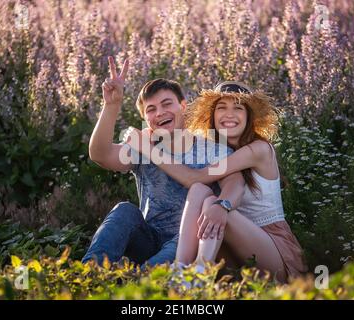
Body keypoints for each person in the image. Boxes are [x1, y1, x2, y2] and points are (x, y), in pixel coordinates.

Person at [127, 81, 308, 282]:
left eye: (238, 108)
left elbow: (193, 177)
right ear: (212, 115)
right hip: (230, 245)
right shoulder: (215, 149)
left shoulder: (258, 149)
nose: (229, 114)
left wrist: (148, 149)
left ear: (249, 116)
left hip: (272, 248)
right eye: (222, 108)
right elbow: (196, 183)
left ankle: (200, 273)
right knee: (199, 192)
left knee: (214, 203)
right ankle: (182, 271)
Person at [82, 58, 245, 271]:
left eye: (167, 104)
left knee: (159, 265)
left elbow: (235, 182)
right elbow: (100, 154)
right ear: (146, 119)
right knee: (124, 211)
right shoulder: (143, 144)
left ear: (183, 106)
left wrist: (222, 205)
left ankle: (139, 283)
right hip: (149, 239)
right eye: (151, 109)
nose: (159, 113)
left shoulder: (212, 147)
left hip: (189, 240)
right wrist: (111, 105)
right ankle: (89, 275)